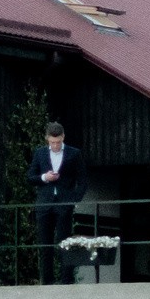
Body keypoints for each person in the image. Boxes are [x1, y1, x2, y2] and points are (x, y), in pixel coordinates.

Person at [31, 122, 91, 284]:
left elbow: (83, 179)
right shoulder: (40, 153)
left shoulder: (74, 154)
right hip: (44, 204)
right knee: (45, 245)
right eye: (52, 142)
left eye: (58, 142)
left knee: (65, 244)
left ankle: (66, 281)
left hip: (64, 204)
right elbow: (30, 177)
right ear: (47, 139)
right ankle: (47, 282)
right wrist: (45, 178)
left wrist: (74, 199)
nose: (55, 145)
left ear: (63, 138)